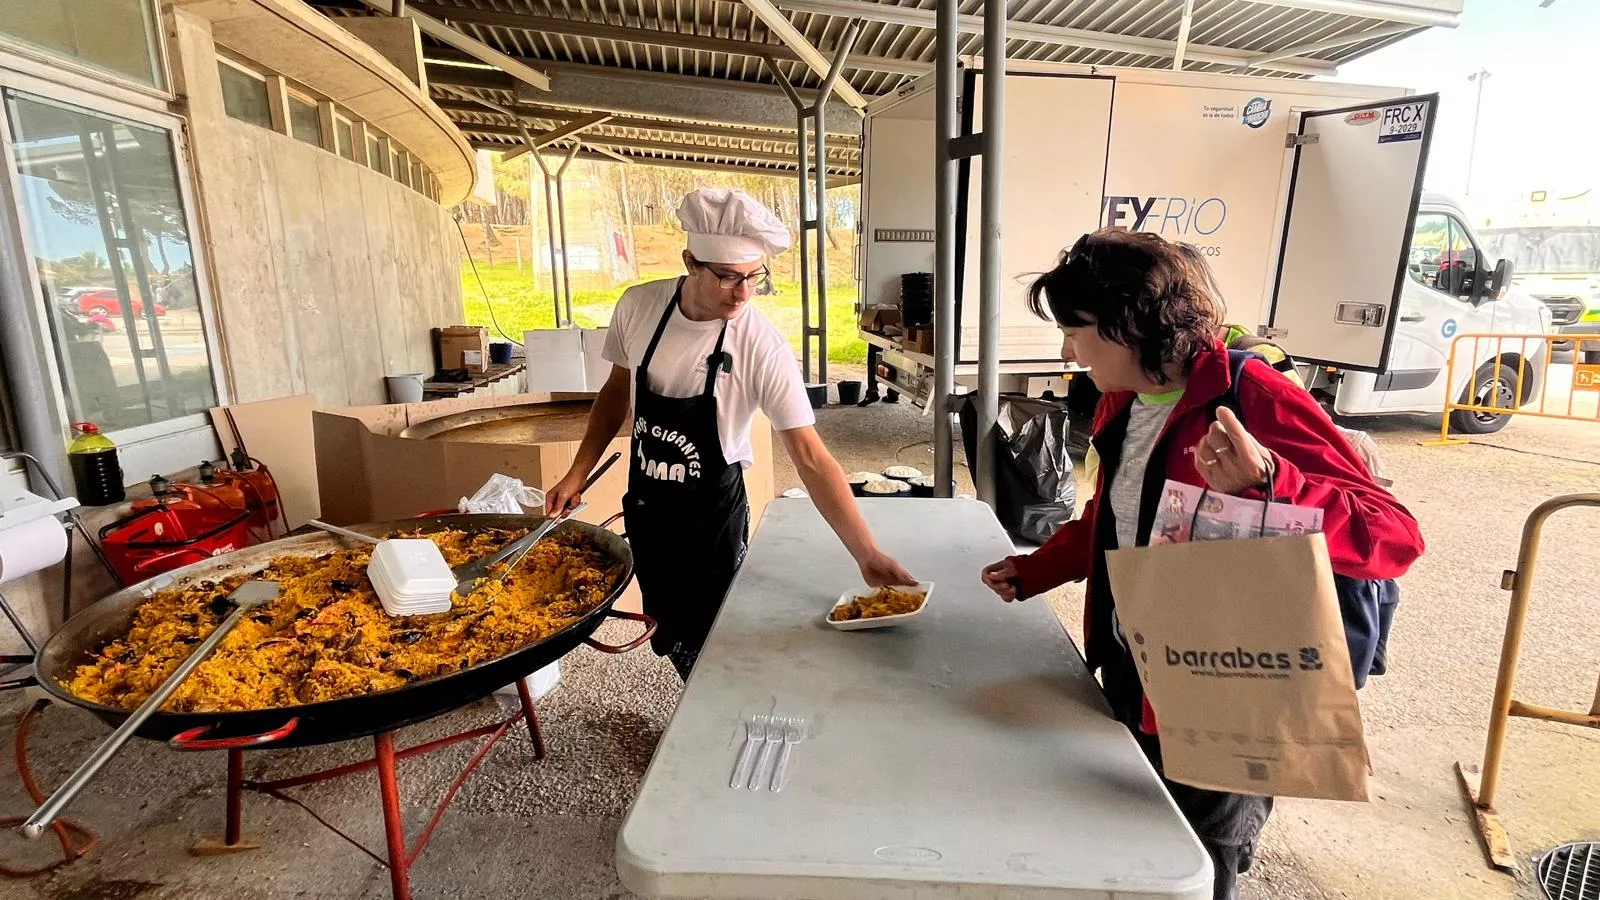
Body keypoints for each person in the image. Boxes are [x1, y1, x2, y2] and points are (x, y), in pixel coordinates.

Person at [978, 229, 1423, 900]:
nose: (1068, 351)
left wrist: (1273, 483)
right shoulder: (1124, 399)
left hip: (1232, 690)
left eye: (1075, 331)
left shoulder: (1252, 394)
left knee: (1199, 861)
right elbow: (1119, 512)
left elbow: (1393, 536)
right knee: (1133, 843)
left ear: (1131, 323)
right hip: (1138, 666)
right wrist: (1038, 567)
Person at [546, 188, 914, 679]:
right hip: (649, 506)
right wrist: (577, 473)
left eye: (754, 277)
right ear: (690, 262)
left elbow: (810, 457)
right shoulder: (639, 306)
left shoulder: (761, 345)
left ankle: (713, 700)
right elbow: (616, 391)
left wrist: (866, 552)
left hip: (711, 518)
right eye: (727, 277)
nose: (743, 293)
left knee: (718, 636)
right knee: (669, 625)